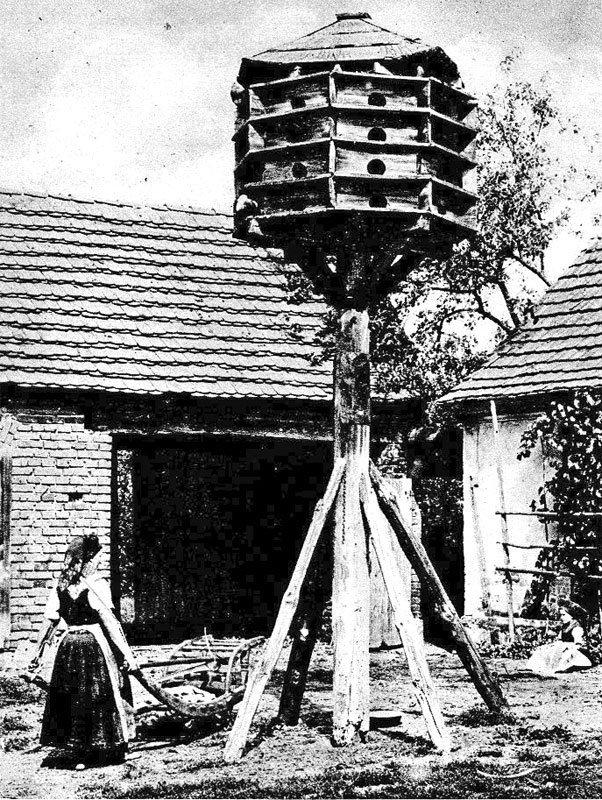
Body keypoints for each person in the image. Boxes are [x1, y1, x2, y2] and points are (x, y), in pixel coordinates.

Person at [30, 534, 139, 770]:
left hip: (68, 646)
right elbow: (110, 623)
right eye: (99, 556)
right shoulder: (97, 584)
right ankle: (112, 750)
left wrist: (37, 653)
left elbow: (49, 621)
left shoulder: (61, 585)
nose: (101, 560)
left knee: (73, 696)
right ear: (89, 559)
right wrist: (128, 654)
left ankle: (78, 755)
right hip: (93, 645)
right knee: (102, 693)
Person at [526, 600, 592, 676]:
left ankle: (563, 667)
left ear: (571, 615)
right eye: (561, 615)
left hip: (573, 648)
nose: (561, 617)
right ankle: (536, 666)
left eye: (564, 615)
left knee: (565, 654)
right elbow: (560, 639)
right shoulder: (564, 626)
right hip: (562, 646)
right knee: (543, 649)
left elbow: (578, 644)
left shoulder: (576, 627)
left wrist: (568, 647)